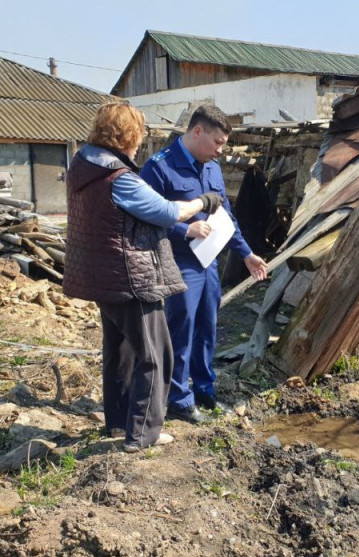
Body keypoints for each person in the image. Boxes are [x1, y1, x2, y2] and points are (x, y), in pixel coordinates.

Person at [63, 102, 224, 452]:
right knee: (156, 354)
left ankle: (119, 422)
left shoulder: (83, 164)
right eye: (137, 136)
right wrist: (202, 202)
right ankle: (143, 436)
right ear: (126, 136)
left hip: (99, 274)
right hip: (129, 275)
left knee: (119, 351)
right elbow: (167, 211)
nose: (139, 144)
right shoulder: (118, 178)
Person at [141, 104, 268, 424]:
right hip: (177, 261)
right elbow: (144, 217)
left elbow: (224, 217)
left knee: (207, 328)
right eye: (218, 142)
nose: (221, 151)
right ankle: (178, 399)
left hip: (209, 260)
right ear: (197, 131)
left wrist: (246, 253)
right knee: (180, 330)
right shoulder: (159, 168)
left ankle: (204, 389)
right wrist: (185, 229)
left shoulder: (211, 167)